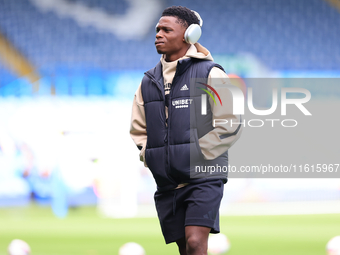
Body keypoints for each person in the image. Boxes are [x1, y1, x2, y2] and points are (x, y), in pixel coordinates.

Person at [130, 6, 242, 255]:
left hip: (204, 176)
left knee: (195, 242)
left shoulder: (212, 73)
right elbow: (138, 129)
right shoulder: (147, 81)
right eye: (157, 29)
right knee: (185, 248)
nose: (158, 34)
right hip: (167, 181)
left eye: (166, 29)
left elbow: (231, 123)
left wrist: (196, 154)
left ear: (189, 35)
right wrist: (151, 156)